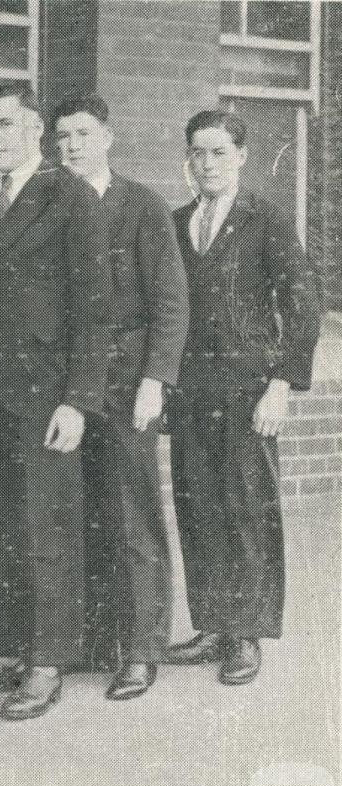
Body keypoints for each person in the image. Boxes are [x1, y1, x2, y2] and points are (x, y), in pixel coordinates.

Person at [0, 83, 111, 720]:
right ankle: (2, 649)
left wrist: (78, 400)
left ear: (35, 130)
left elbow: (94, 309)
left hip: (44, 395)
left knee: (47, 528)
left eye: (6, 125)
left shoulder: (70, 196)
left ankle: (47, 660)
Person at [165, 110, 320, 685]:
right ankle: (212, 625)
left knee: (247, 509)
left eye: (219, 153)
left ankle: (246, 633)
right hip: (191, 392)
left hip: (248, 391)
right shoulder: (178, 222)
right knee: (198, 506)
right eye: (198, 153)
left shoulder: (266, 219)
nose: (207, 164)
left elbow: (302, 304)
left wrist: (281, 384)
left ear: (242, 156)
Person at [52, 93, 189, 700]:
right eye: (62, 137)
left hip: (129, 382)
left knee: (132, 514)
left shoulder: (141, 206)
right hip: (67, 385)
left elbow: (170, 301)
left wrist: (155, 380)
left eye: (82, 135)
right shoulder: (51, 204)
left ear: (107, 138)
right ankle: (92, 639)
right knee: (77, 511)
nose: (72, 147)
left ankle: (140, 648)